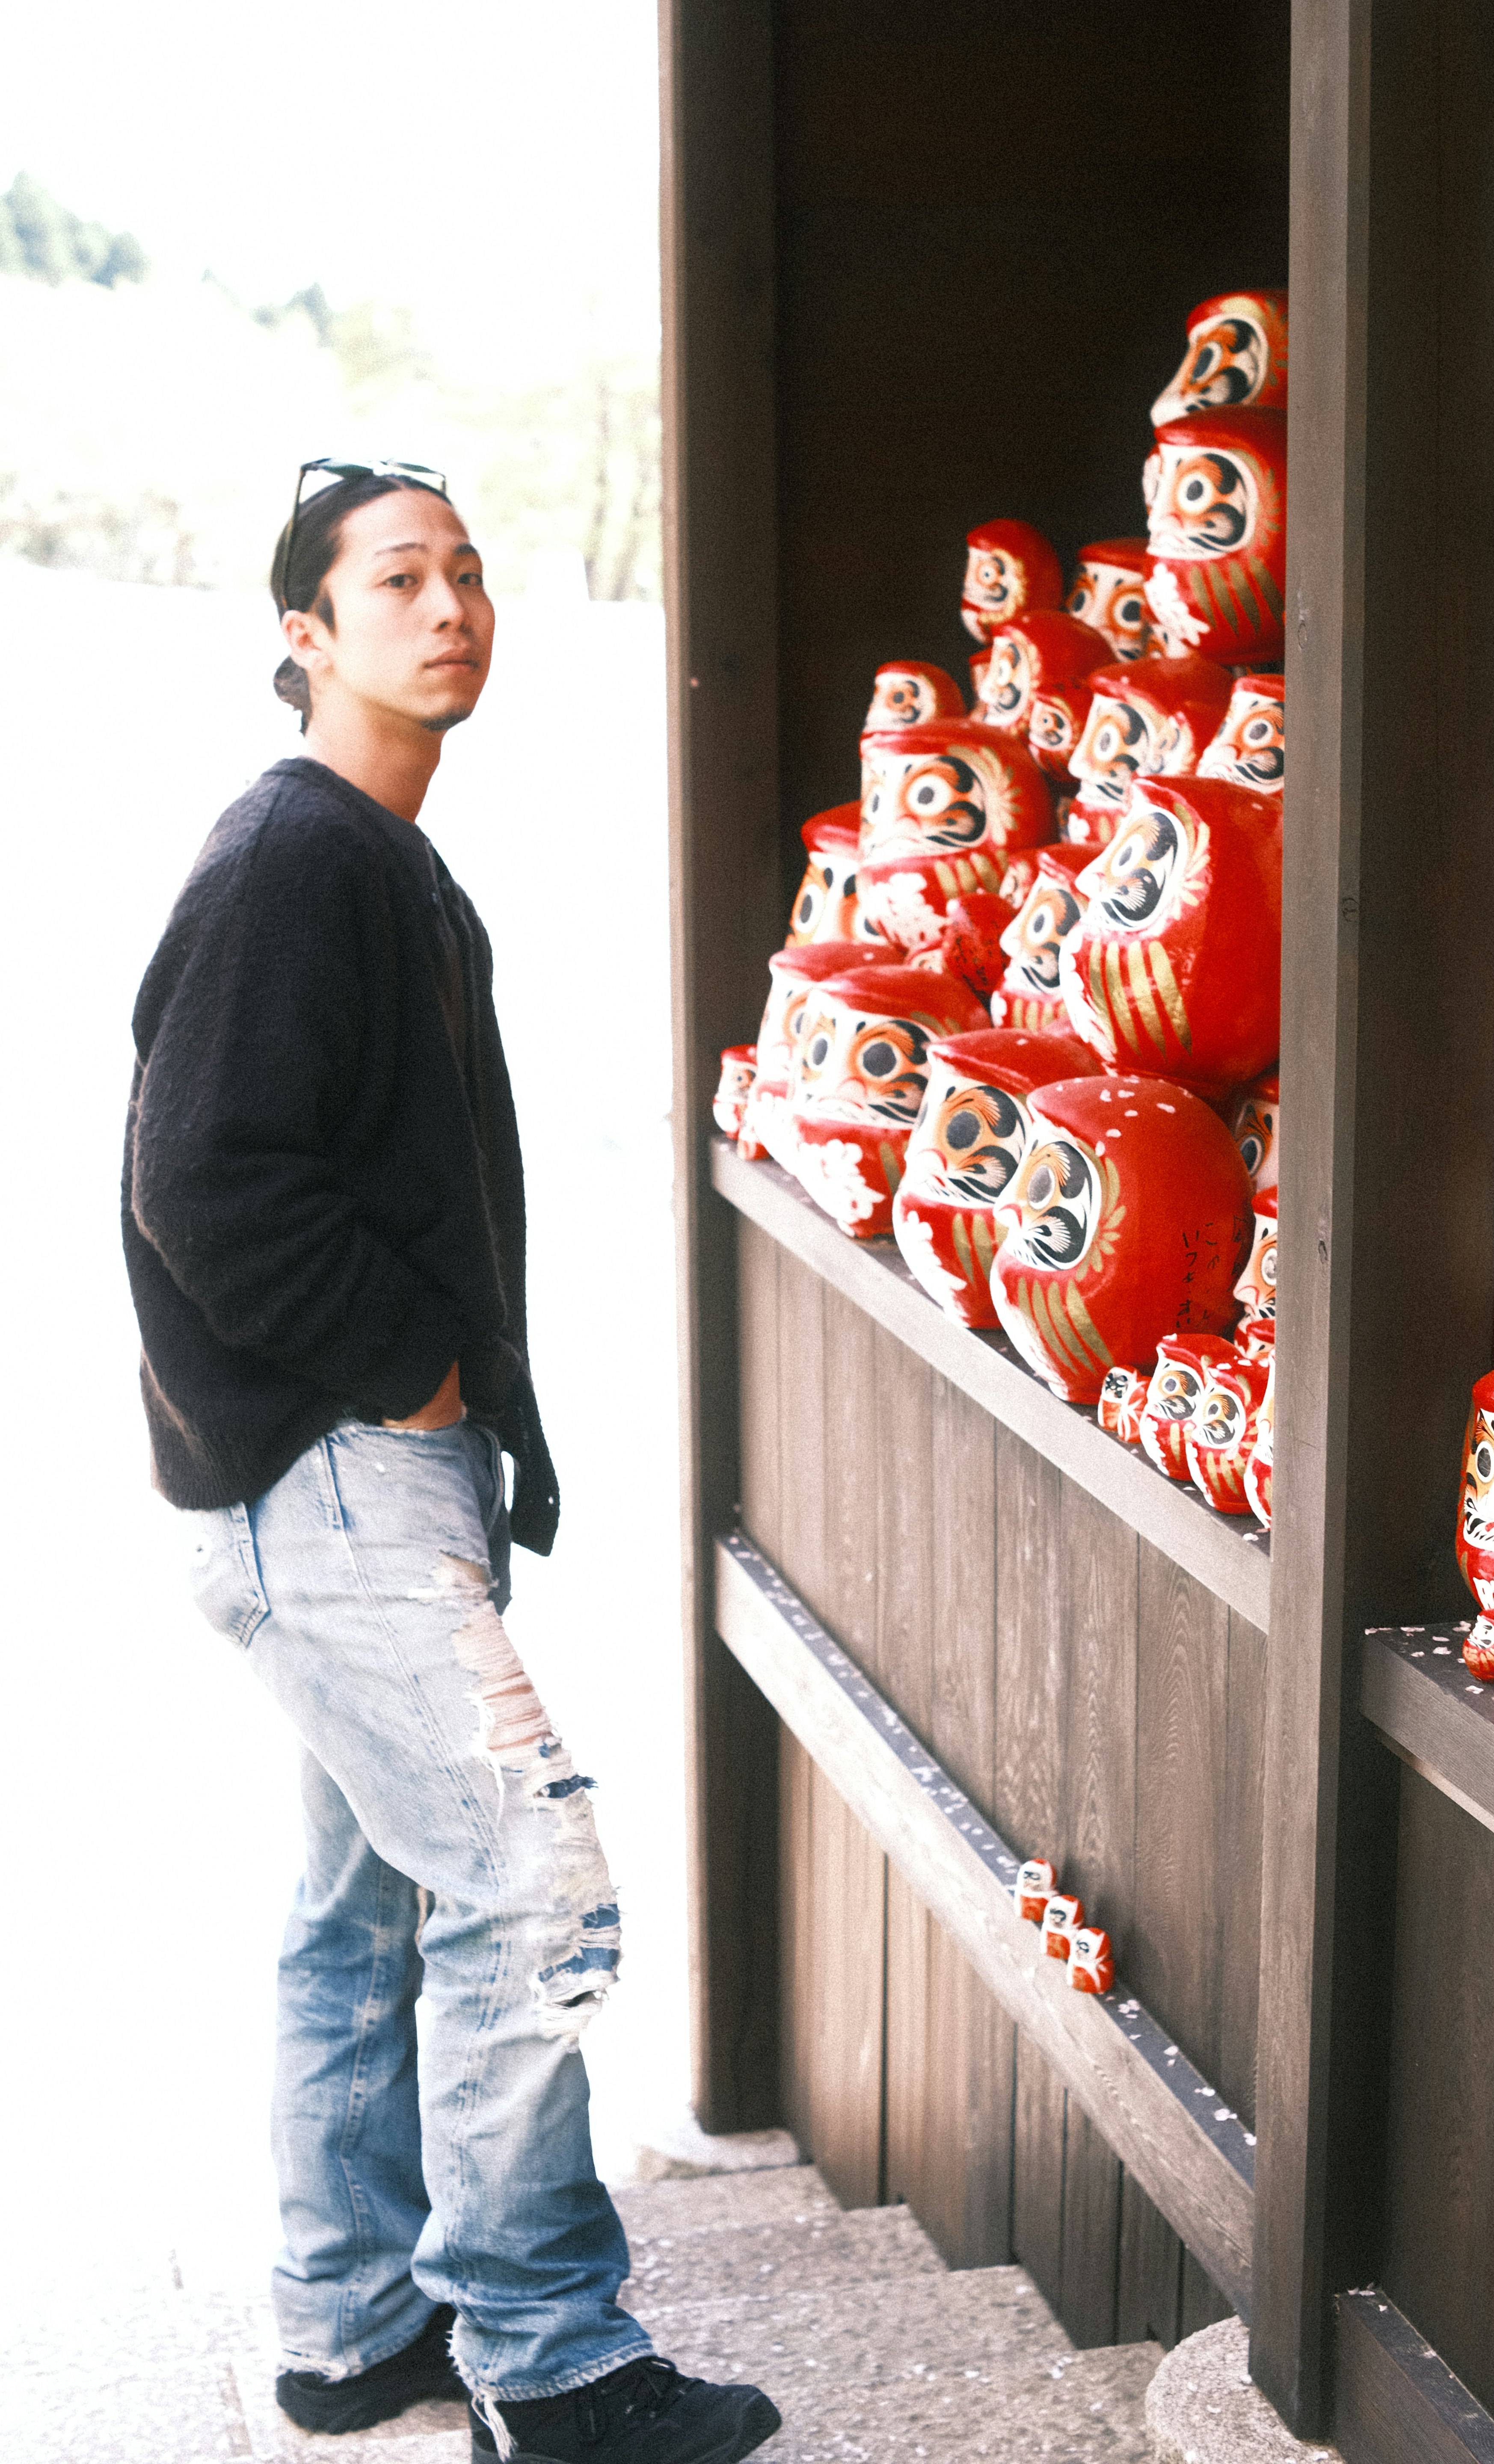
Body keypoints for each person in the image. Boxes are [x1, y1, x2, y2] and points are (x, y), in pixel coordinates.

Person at [122, 460, 780, 2464]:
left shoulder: (377, 861)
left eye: (471, 573)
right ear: (305, 634)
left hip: (343, 1480)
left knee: (374, 1908)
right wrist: (406, 1378)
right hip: (333, 1483)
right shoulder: (295, 861)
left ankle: (350, 2330)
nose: (452, 605)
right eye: (397, 578)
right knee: (532, 1883)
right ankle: (555, 2361)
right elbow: (200, 1180)